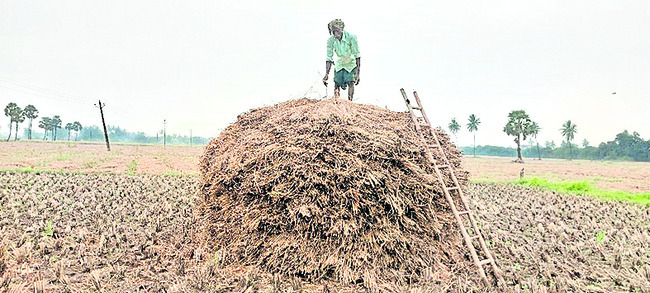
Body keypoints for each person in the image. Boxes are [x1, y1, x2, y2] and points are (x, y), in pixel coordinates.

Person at [322, 19, 360, 101]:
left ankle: (350, 102)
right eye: (334, 32)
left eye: (338, 31)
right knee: (337, 83)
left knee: (351, 82)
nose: (336, 34)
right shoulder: (330, 40)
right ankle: (337, 102)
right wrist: (326, 74)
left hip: (350, 63)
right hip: (339, 64)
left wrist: (357, 73)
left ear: (342, 29)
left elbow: (357, 55)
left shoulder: (351, 37)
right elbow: (329, 57)